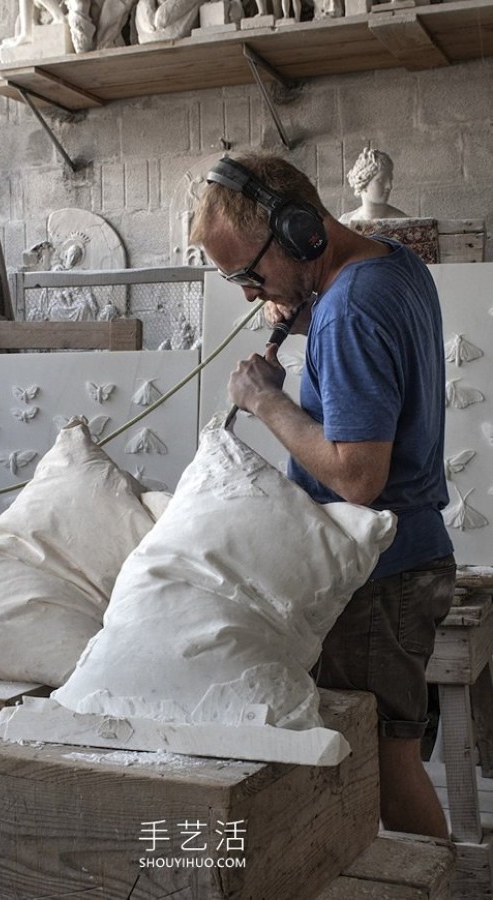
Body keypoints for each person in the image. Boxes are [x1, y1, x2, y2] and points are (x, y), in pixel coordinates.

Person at [190, 152, 456, 839]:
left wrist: (265, 401)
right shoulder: (392, 264)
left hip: (381, 577)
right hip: (407, 562)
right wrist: (310, 313)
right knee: (382, 758)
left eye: (252, 273)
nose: (251, 295)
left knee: (386, 769)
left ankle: (434, 884)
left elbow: (357, 475)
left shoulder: (350, 309)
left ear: (304, 231)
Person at [339, 147, 408, 224]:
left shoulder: (404, 222)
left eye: (390, 180)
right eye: (381, 180)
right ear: (363, 182)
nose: (389, 186)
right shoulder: (345, 221)